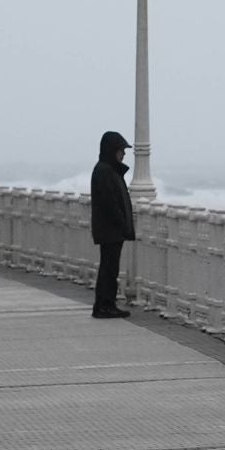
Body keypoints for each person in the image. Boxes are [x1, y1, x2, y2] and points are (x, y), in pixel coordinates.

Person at [90, 130, 135, 319]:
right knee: (109, 268)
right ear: (111, 151)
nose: (123, 154)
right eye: (120, 150)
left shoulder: (108, 170)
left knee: (109, 267)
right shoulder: (105, 171)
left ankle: (105, 304)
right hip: (110, 228)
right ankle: (105, 305)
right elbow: (110, 203)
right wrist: (122, 222)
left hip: (110, 228)